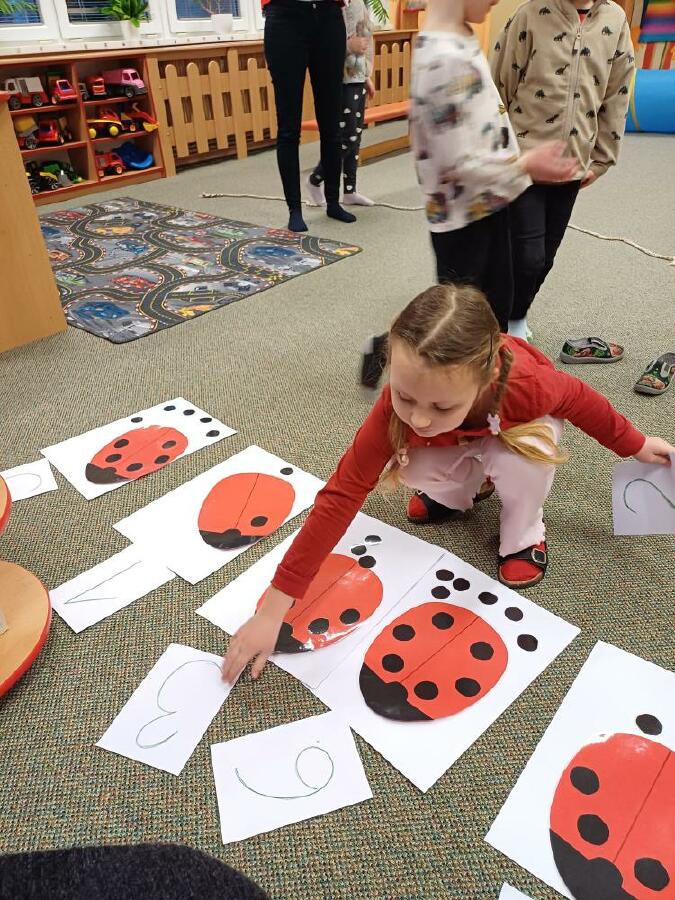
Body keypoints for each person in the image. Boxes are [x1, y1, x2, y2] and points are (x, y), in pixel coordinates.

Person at [222, 284, 674, 682]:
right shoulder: (399, 409)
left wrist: (634, 443)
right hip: (462, 438)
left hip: (512, 429)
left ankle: (523, 534)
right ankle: (461, 495)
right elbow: (341, 494)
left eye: (440, 406)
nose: (419, 417)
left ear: (486, 380)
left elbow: (581, 400)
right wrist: (273, 610)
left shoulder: (526, 383)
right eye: (405, 396)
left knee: (526, 460)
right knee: (412, 464)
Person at [360, 0, 578, 387]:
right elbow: (454, 162)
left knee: (491, 310)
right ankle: (398, 355)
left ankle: (478, 385)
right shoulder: (441, 58)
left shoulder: (460, 36)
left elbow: (483, 123)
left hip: (491, 202)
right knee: (460, 322)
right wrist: (526, 165)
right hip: (461, 220)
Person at [491, 0, 635, 340]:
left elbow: (616, 94)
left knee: (545, 257)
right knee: (526, 255)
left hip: (572, 162)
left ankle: (516, 313)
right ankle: (500, 321)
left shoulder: (615, 20)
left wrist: (601, 158)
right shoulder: (530, 14)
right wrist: (499, 153)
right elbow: (497, 85)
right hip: (523, 161)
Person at [263, 0, 358, 232]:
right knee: (288, 127)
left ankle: (333, 202)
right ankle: (294, 210)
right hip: (285, 15)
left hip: (329, 15)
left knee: (331, 123)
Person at [307, 0, 376, 208]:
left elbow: (365, 38)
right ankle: (316, 179)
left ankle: (350, 191)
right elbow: (325, 41)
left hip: (357, 76)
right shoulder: (335, 5)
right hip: (340, 79)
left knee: (355, 138)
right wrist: (348, 46)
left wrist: (366, 76)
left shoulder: (359, 3)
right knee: (345, 138)